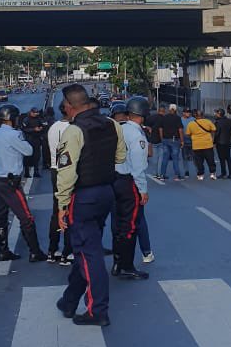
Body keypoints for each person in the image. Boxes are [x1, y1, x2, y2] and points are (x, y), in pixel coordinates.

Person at [54, 84, 127, 326]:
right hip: (107, 193)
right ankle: (69, 300)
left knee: (89, 253)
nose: (63, 108)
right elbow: (120, 157)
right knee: (85, 249)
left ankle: (97, 310)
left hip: (83, 197)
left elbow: (66, 173)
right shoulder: (111, 123)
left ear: (69, 105)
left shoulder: (73, 131)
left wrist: (62, 206)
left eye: (64, 104)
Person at [0, 104, 46, 263]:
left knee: (0, 216)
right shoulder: (14, 135)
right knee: (26, 217)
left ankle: (3, 251)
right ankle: (35, 252)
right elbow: (28, 151)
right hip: (10, 183)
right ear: (12, 119)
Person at [112, 98, 153, 275]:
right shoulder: (137, 135)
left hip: (114, 180)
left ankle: (117, 262)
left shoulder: (119, 128)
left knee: (118, 225)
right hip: (129, 183)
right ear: (142, 114)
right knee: (131, 226)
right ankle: (126, 266)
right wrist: (143, 189)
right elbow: (138, 166)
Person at [46, 108, 72, 264]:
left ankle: (52, 250)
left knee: (56, 211)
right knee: (69, 211)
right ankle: (67, 252)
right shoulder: (72, 129)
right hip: (67, 171)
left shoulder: (53, 127)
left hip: (55, 171)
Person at [186, 108, 217, 179]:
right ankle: (212, 173)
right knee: (210, 160)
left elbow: (188, 134)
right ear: (203, 115)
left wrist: (194, 136)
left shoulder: (191, 124)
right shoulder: (208, 122)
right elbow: (214, 130)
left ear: (195, 116)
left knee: (199, 161)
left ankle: (200, 174)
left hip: (196, 145)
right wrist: (212, 138)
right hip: (208, 144)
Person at [158, 103, 184, 180]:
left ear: (169, 109)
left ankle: (162, 175)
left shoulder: (164, 117)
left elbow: (160, 129)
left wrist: (162, 138)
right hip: (174, 140)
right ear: (175, 110)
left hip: (165, 139)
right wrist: (182, 141)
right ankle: (177, 175)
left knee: (165, 157)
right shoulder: (178, 118)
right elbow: (180, 130)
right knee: (175, 158)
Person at [21, 107, 48, 178]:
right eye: (35, 113)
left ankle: (36, 172)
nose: (36, 114)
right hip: (29, 140)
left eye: (37, 113)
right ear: (31, 112)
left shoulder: (39, 118)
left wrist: (41, 127)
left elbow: (44, 124)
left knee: (37, 156)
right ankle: (26, 172)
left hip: (37, 140)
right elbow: (24, 129)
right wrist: (33, 129)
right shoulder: (26, 119)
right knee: (28, 156)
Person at [214, 107, 231, 177]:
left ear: (219, 114)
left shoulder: (217, 122)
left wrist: (214, 142)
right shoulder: (229, 121)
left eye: (216, 113)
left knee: (222, 158)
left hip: (220, 142)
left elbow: (217, 133)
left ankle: (223, 173)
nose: (215, 114)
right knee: (228, 157)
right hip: (227, 141)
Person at [180, 108, 194, 175]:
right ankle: (186, 171)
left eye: (189, 112)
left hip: (192, 141)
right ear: (183, 113)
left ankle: (197, 170)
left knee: (194, 157)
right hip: (184, 140)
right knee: (184, 157)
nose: (188, 113)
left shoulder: (193, 119)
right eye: (187, 112)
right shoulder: (180, 120)